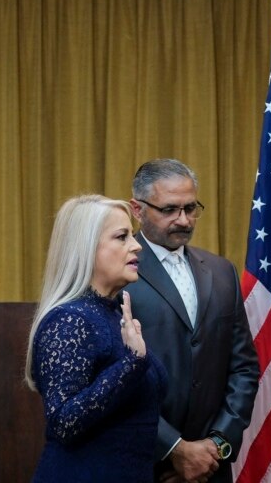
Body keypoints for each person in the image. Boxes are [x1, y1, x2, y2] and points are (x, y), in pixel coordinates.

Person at [124, 159, 260, 483]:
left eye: (190, 208)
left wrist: (216, 445)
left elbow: (244, 368)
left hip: (212, 467)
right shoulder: (116, 272)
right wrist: (174, 448)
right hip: (145, 464)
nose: (183, 220)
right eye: (169, 209)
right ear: (137, 209)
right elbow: (113, 381)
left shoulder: (222, 271)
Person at [26, 195, 167, 483]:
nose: (136, 244)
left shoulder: (115, 314)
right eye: (121, 236)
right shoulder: (70, 319)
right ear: (87, 249)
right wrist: (132, 363)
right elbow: (64, 422)